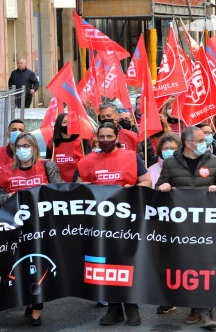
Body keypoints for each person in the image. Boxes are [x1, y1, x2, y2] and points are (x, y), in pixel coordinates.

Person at [75, 122, 152, 326]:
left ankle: (132, 307)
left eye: (110, 136)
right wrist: (82, 187)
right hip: (99, 223)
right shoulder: (87, 161)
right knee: (106, 264)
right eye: (102, 137)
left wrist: (133, 188)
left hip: (127, 221)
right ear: (97, 138)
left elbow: (147, 182)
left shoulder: (131, 157)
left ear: (117, 138)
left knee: (127, 262)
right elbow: (77, 188)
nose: (106, 140)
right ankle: (113, 308)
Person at [158, 126, 216, 330]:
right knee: (188, 266)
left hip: (207, 225)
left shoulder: (213, 161)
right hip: (182, 227)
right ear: (188, 143)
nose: (205, 141)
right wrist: (163, 188)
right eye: (200, 139)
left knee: (205, 266)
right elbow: (160, 187)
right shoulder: (171, 163)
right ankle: (195, 308)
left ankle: (206, 311)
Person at [0, 133, 63, 326]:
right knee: (22, 266)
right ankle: (28, 299)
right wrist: (9, 196)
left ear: (34, 148)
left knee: (39, 265)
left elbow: (59, 192)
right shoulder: (7, 170)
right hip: (16, 228)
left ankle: (37, 309)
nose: (22, 149)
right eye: (19, 146)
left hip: (42, 226)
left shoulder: (47, 166)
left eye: (26, 145)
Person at [0, 119, 26, 202]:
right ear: (8, 134)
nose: (17, 132)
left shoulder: (32, 155)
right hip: (2, 204)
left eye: (20, 130)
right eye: (14, 130)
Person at [45, 113, 91, 182]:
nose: (68, 125)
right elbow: (48, 163)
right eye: (64, 122)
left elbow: (89, 162)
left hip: (77, 183)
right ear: (59, 124)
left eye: (70, 122)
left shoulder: (82, 140)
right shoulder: (52, 142)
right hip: (58, 184)